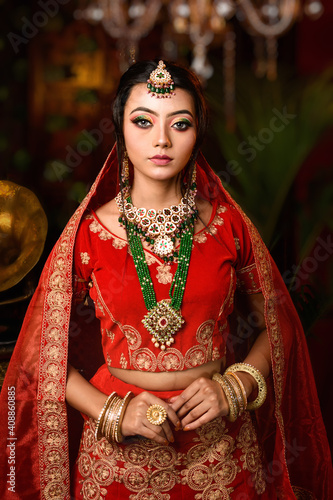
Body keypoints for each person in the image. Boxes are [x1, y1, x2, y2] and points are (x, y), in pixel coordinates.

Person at [0, 60, 332, 500]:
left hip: (220, 451)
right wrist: (111, 413)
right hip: (118, 454)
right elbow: (36, 352)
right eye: (142, 122)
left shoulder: (228, 227)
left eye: (180, 123)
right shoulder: (88, 234)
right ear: (119, 131)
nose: (161, 140)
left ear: (197, 135)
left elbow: (281, 321)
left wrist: (237, 385)